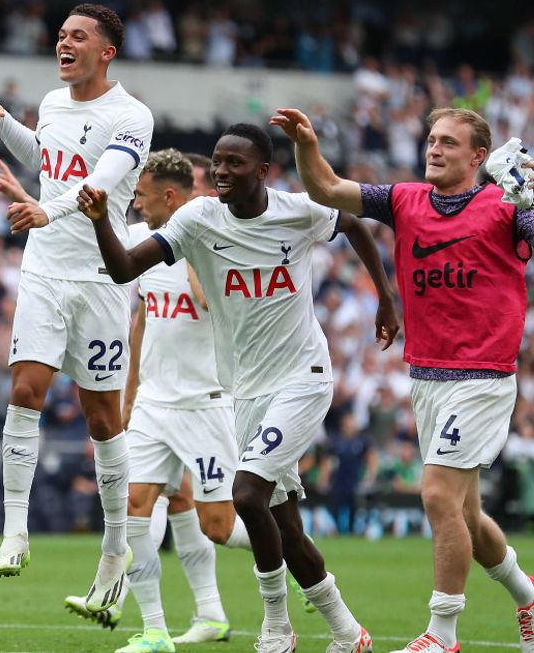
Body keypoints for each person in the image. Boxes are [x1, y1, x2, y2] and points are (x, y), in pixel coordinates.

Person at [79, 122, 398, 652]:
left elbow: (355, 223)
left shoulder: (297, 211)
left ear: (263, 171)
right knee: (284, 526)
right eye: (219, 162)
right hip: (244, 391)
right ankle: (348, 632)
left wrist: (385, 297)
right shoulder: (198, 218)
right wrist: (98, 221)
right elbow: (124, 269)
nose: (222, 172)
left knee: (246, 493)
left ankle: (276, 627)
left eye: (235, 163)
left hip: (302, 378)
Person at [272, 106, 534, 653]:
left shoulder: (504, 206)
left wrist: (530, 198)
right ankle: (527, 596)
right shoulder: (405, 198)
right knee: (465, 512)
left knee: (437, 496)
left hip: (482, 374)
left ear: (479, 157)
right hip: (427, 374)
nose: (433, 149)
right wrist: (305, 142)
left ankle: (442, 634)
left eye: (448, 143)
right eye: (431, 139)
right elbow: (326, 187)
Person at [0, 2, 153, 613]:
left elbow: (100, 180)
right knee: (26, 390)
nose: (63, 44)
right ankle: (15, 531)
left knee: (104, 420)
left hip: (104, 278)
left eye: (78, 37)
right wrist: (4, 123)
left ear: (107, 51)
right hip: (45, 270)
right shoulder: (52, 104)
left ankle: (114, 550)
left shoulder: (132, 115)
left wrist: (47, 210)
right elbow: (49, 161)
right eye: (60, 35)